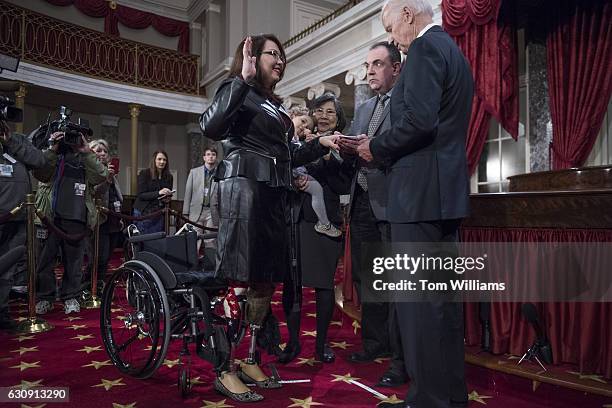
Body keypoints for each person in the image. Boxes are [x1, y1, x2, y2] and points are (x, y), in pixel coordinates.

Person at [199, 34, 338, 402]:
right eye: (271, 53)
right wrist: (242, 79)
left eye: (282, 55)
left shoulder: (273, 106)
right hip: (244, 191)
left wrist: (318, 144)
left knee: (264, 283)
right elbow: (210, 127)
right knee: (241, 281)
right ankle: (224, 367)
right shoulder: (237, 88)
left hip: (273, 194)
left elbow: (287, 154)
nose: (279, 60)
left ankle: (248, 357)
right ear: (251, 57)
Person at [355, 1, 474, 407]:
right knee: (440, 306)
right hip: (442, 196)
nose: (391, 37)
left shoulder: (424, 49)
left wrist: (376, 147)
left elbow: (419, 122)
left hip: (417, 196)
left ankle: (428, 399)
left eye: (390, 26)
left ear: (407, 13)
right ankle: (448, 396)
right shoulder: (453, 50)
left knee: (420, 308)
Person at [339, 41, 407, 387]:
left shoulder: (407, 102)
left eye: (377, 64)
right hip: (362, 201)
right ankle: (374, 343)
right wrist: (346, 146)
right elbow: (355, 150)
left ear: (396, 68)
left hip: (393, 203)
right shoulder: (364, 107)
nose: (369, 71)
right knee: (370, 281)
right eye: (367, 65)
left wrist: (373, 147)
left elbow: (404, 146)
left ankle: (400, 358)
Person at [279, 93, 350, 364]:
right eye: (319, 110)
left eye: (330, 112)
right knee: (291, 285)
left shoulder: (343, 145)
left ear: (337, 117)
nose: (323, 116)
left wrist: (331, 160)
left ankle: (321, 346)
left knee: (323, 286)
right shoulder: (297, 140)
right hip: (294, 218)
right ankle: (293, 343)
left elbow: (344, 185)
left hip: (326, 222)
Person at [33, 131, 108, 315]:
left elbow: (100, 176)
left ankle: (70, 296)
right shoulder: (53, 155)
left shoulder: (85, 157)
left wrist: (85, 151)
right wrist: (53, 149)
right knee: (45, 261)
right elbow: (40, 172)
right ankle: (45, 297)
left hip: (77, 215)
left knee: (74, 262)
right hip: (50, 216)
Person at [0, 121, 47, 330]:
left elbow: (39, 160)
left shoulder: (16, 140)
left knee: (8, 269)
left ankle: (2, 311)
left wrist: (10, 141)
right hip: (2, 214)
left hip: (19, 216)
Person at [290, 111, 342, 238]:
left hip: (298, 175)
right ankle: (324, 223)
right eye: (302, 121)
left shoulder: (299, 140)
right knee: (317, 189)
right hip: (290, 179)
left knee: (317, 189)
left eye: (307, 127)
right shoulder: (284, 132)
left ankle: (324, 223)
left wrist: (315, 144)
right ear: (292, 116)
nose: (304, 127)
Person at [83, 139, 123, 292]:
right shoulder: (88, 169)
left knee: (106, 258)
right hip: (97, 219)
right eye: (99, 150)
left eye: (105, 151)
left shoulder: (109, 169)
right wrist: (107, 178)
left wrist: (119, 217)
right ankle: (87, 285)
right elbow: (94, 192)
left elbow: (116, 196)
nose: (103, 153)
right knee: (97, 257)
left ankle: (98, 285)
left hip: (112, 218)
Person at [183, 147, 219, 250]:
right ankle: (193, 265)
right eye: (208, 154)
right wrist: (185, 213)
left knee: (211, 240)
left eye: (213, 154)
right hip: (196, 211)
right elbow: (188, 193)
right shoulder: (194, 172)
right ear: (204, 157)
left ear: (216, 157)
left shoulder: (220, 173)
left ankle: (210, 265)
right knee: (194, 239)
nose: (210, 157)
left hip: (212, 211)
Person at [133, 151, 173, 234]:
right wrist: (159, 193)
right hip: (143, 211)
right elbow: (141, 195)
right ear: (154, 160)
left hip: (159, 212)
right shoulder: (144, 173)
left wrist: (167, 198)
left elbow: (166, 195)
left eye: (164, 160)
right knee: (143, 240)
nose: (162, 162)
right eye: (159, 159)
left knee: (156, 241)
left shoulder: (169, 177)